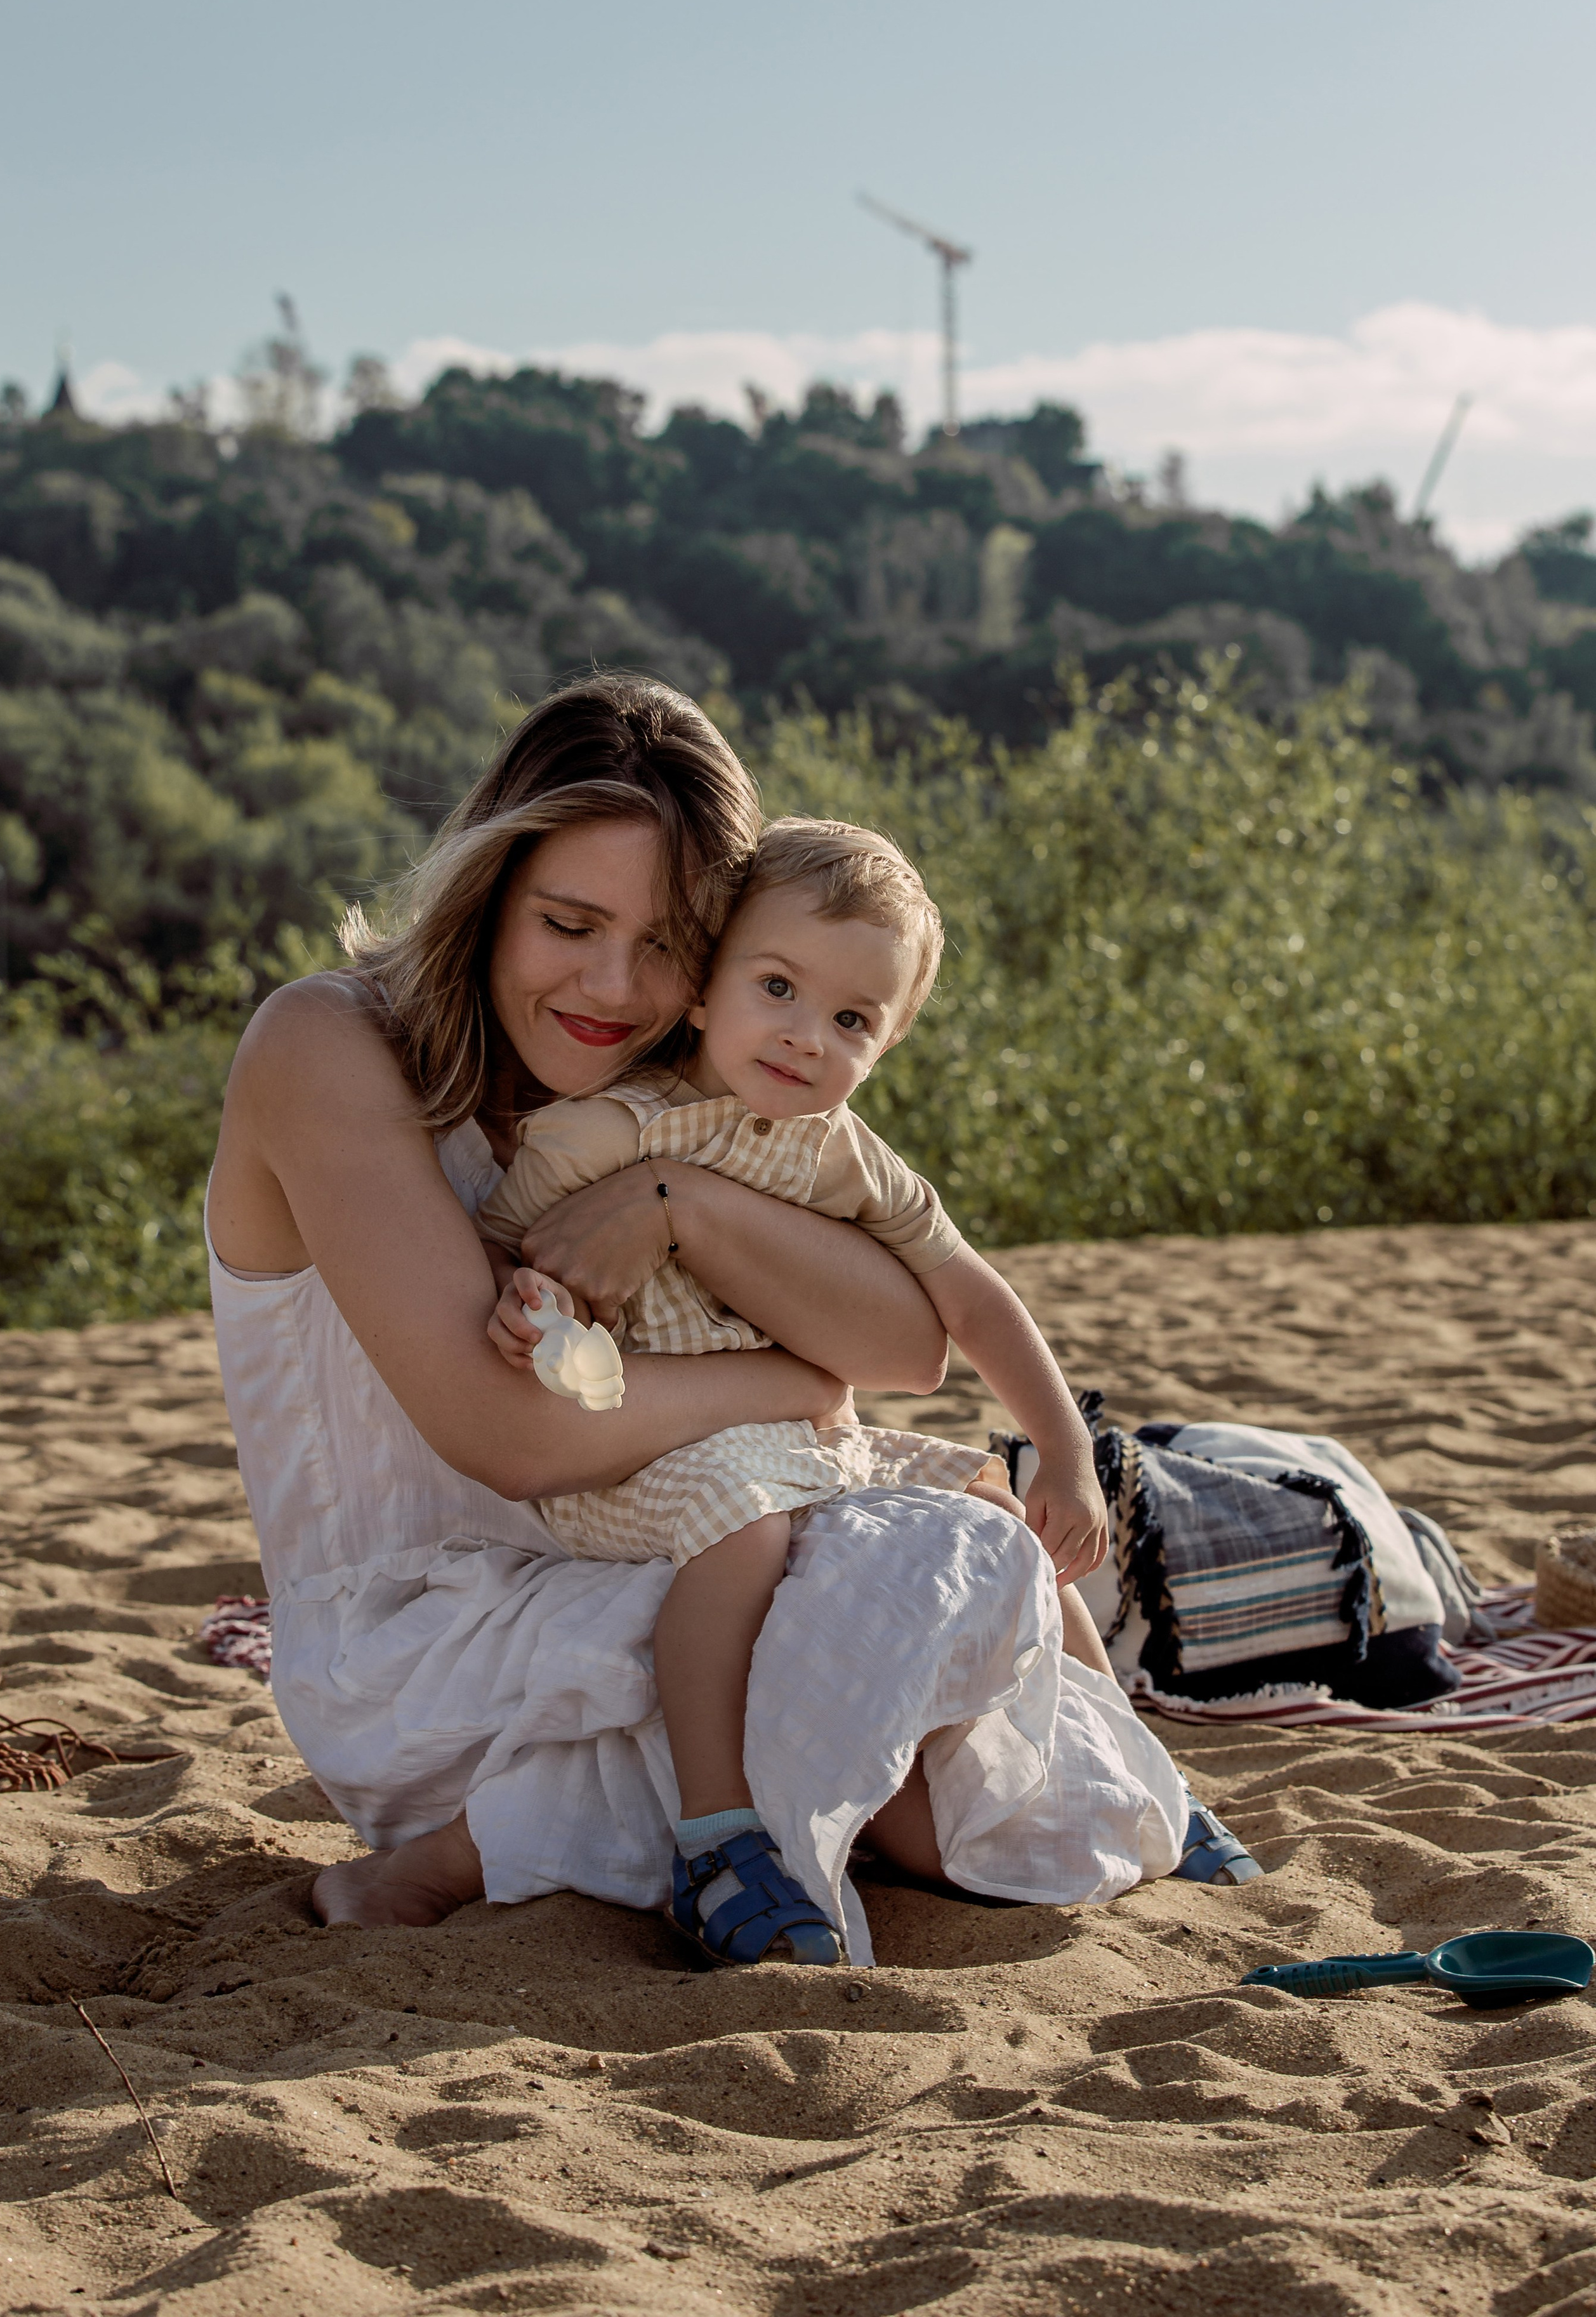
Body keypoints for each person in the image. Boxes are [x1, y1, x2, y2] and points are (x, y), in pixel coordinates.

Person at [204, 672, 1213, 1958]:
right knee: (876, 1630)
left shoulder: (667, 1098)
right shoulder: (325, 1045)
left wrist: (681, 1202)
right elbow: (505, 1434)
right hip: (429, 1650)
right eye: (568, 921)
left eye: (670, 943)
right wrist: (785, 1385)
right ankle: (509, 1845)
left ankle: (762, 1822)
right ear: (490, 890)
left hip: (641, 1557)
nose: (613, 984)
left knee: (974, 1545)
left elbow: (905, 1348)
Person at [476, 815, 1112, 1965]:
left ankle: (1122, 1773)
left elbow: (969, 1297)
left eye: (852, 1019)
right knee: (745, 1523)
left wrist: (1061, 1450)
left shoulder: (841, 1150)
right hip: (644, 1457)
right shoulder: (601, 1136)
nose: (806, 1037)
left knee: (992, 1510)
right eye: (777, 986)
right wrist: (539, 1311)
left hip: (805, 1442)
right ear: (706, 987)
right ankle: (719, 1834)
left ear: (887, 1042)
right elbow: (510, 1262)